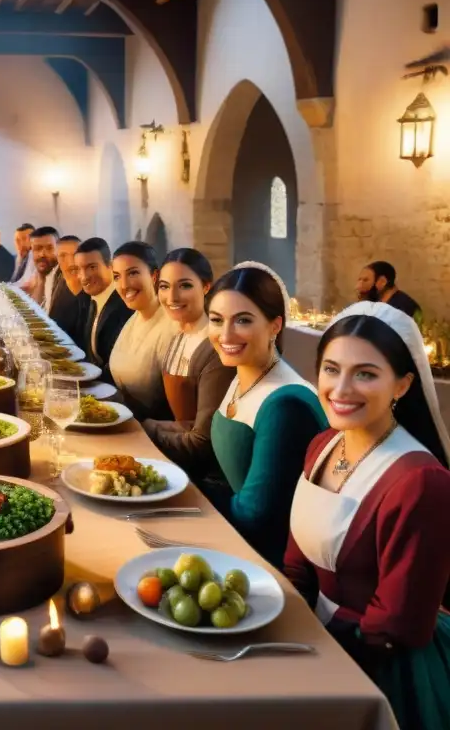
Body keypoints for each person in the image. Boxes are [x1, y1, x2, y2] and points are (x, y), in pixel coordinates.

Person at [285, 302, 450, 729]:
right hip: (316, 639)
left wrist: (318, 648)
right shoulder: (323, 444)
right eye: (331, 369)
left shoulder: (420, 480)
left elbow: (399, 624)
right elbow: (298, 559)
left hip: (378, 667)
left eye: (366, 373)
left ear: (402, 385)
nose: (341, 389)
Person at [208, 262, 327, 569]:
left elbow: (255, 515)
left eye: (243, 320)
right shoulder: (243, 372)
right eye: (216, 320)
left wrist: (184, 496)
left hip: (269, 564)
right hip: (236, 536)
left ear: (275, 325)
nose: (226, 334)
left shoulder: (286, 406)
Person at [142, 249, 235, 480]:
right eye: (164, 286)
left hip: (205, 476)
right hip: (177, 461)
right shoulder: (178, 337)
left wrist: (145, 429)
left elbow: (203, 442)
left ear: (206, 287)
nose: (172, 297)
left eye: (184, 286)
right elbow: (182, 423)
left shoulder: (215, 349)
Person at [108, 241, 177, 421]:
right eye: (116, 276)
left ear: (154, 276)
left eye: (133, 273)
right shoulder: (134, 317)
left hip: (152, 433)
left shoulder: (172, 325)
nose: (123, 285)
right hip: (121, 421)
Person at [74, 238, 132, 379]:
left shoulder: (124, 304)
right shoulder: (88, 299)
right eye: (78, 269)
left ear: (110, 266)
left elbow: (116, 367)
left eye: (92, 267)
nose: (84, 277)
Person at [48, 235, 84, 344]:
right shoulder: (58, 279)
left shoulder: (91, 287)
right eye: (63, 255)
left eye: (75, 255)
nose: (71, 262)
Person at [355, 261, 421, 321]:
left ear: (382, 282)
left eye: (365, 280)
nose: (358, 287)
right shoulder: (378, 305)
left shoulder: (401, 308)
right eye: (359, 280)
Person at [23, 226, 59, 308]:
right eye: (37, 249)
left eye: (49, 248)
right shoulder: (30, 283)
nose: (42, 254)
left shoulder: (64, 283)